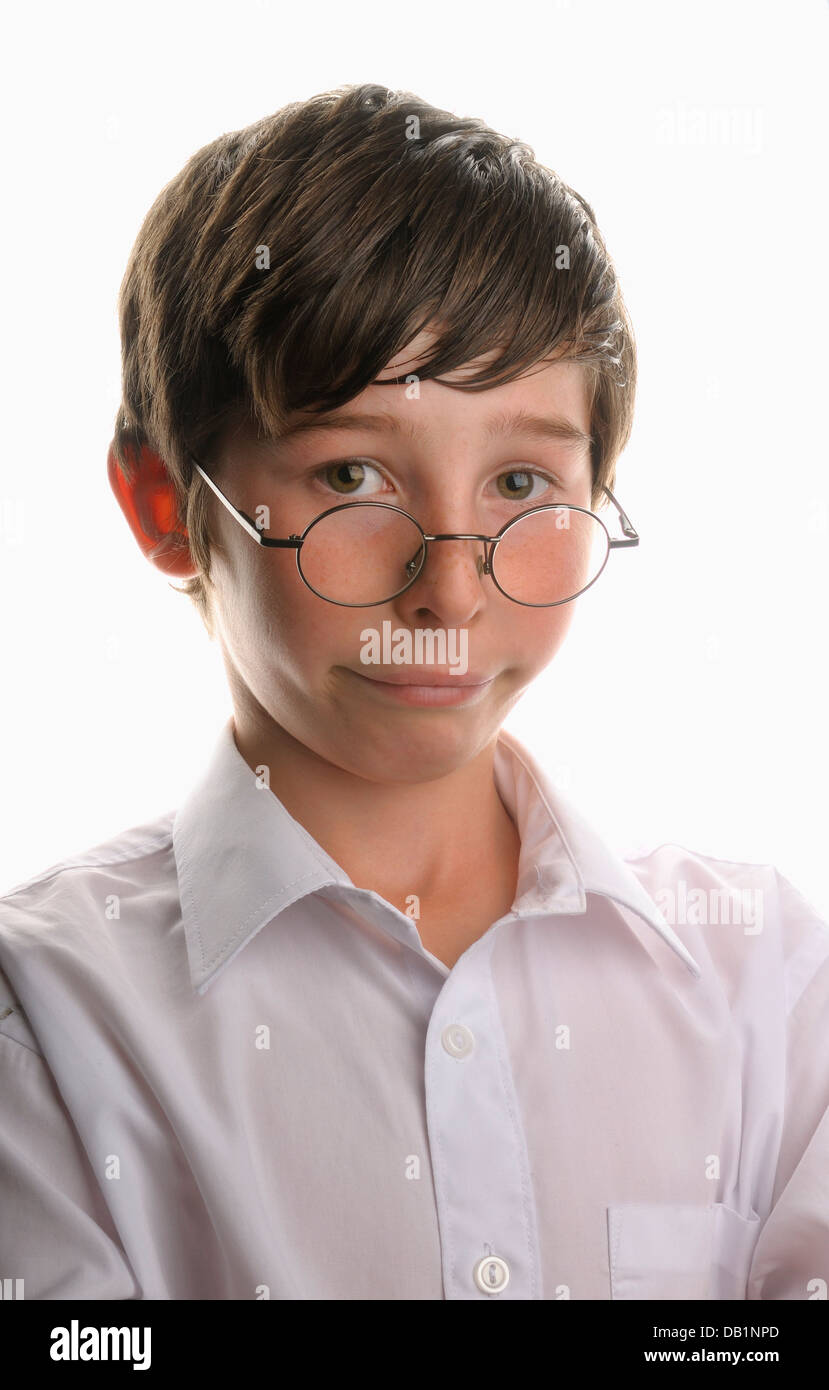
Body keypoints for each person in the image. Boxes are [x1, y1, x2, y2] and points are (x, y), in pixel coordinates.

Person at [1, 83, 827, 1302]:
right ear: (166, 506)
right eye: (349, 472)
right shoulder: (50, 1018)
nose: (449, 586)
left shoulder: (762, 981)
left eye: (516, 483)